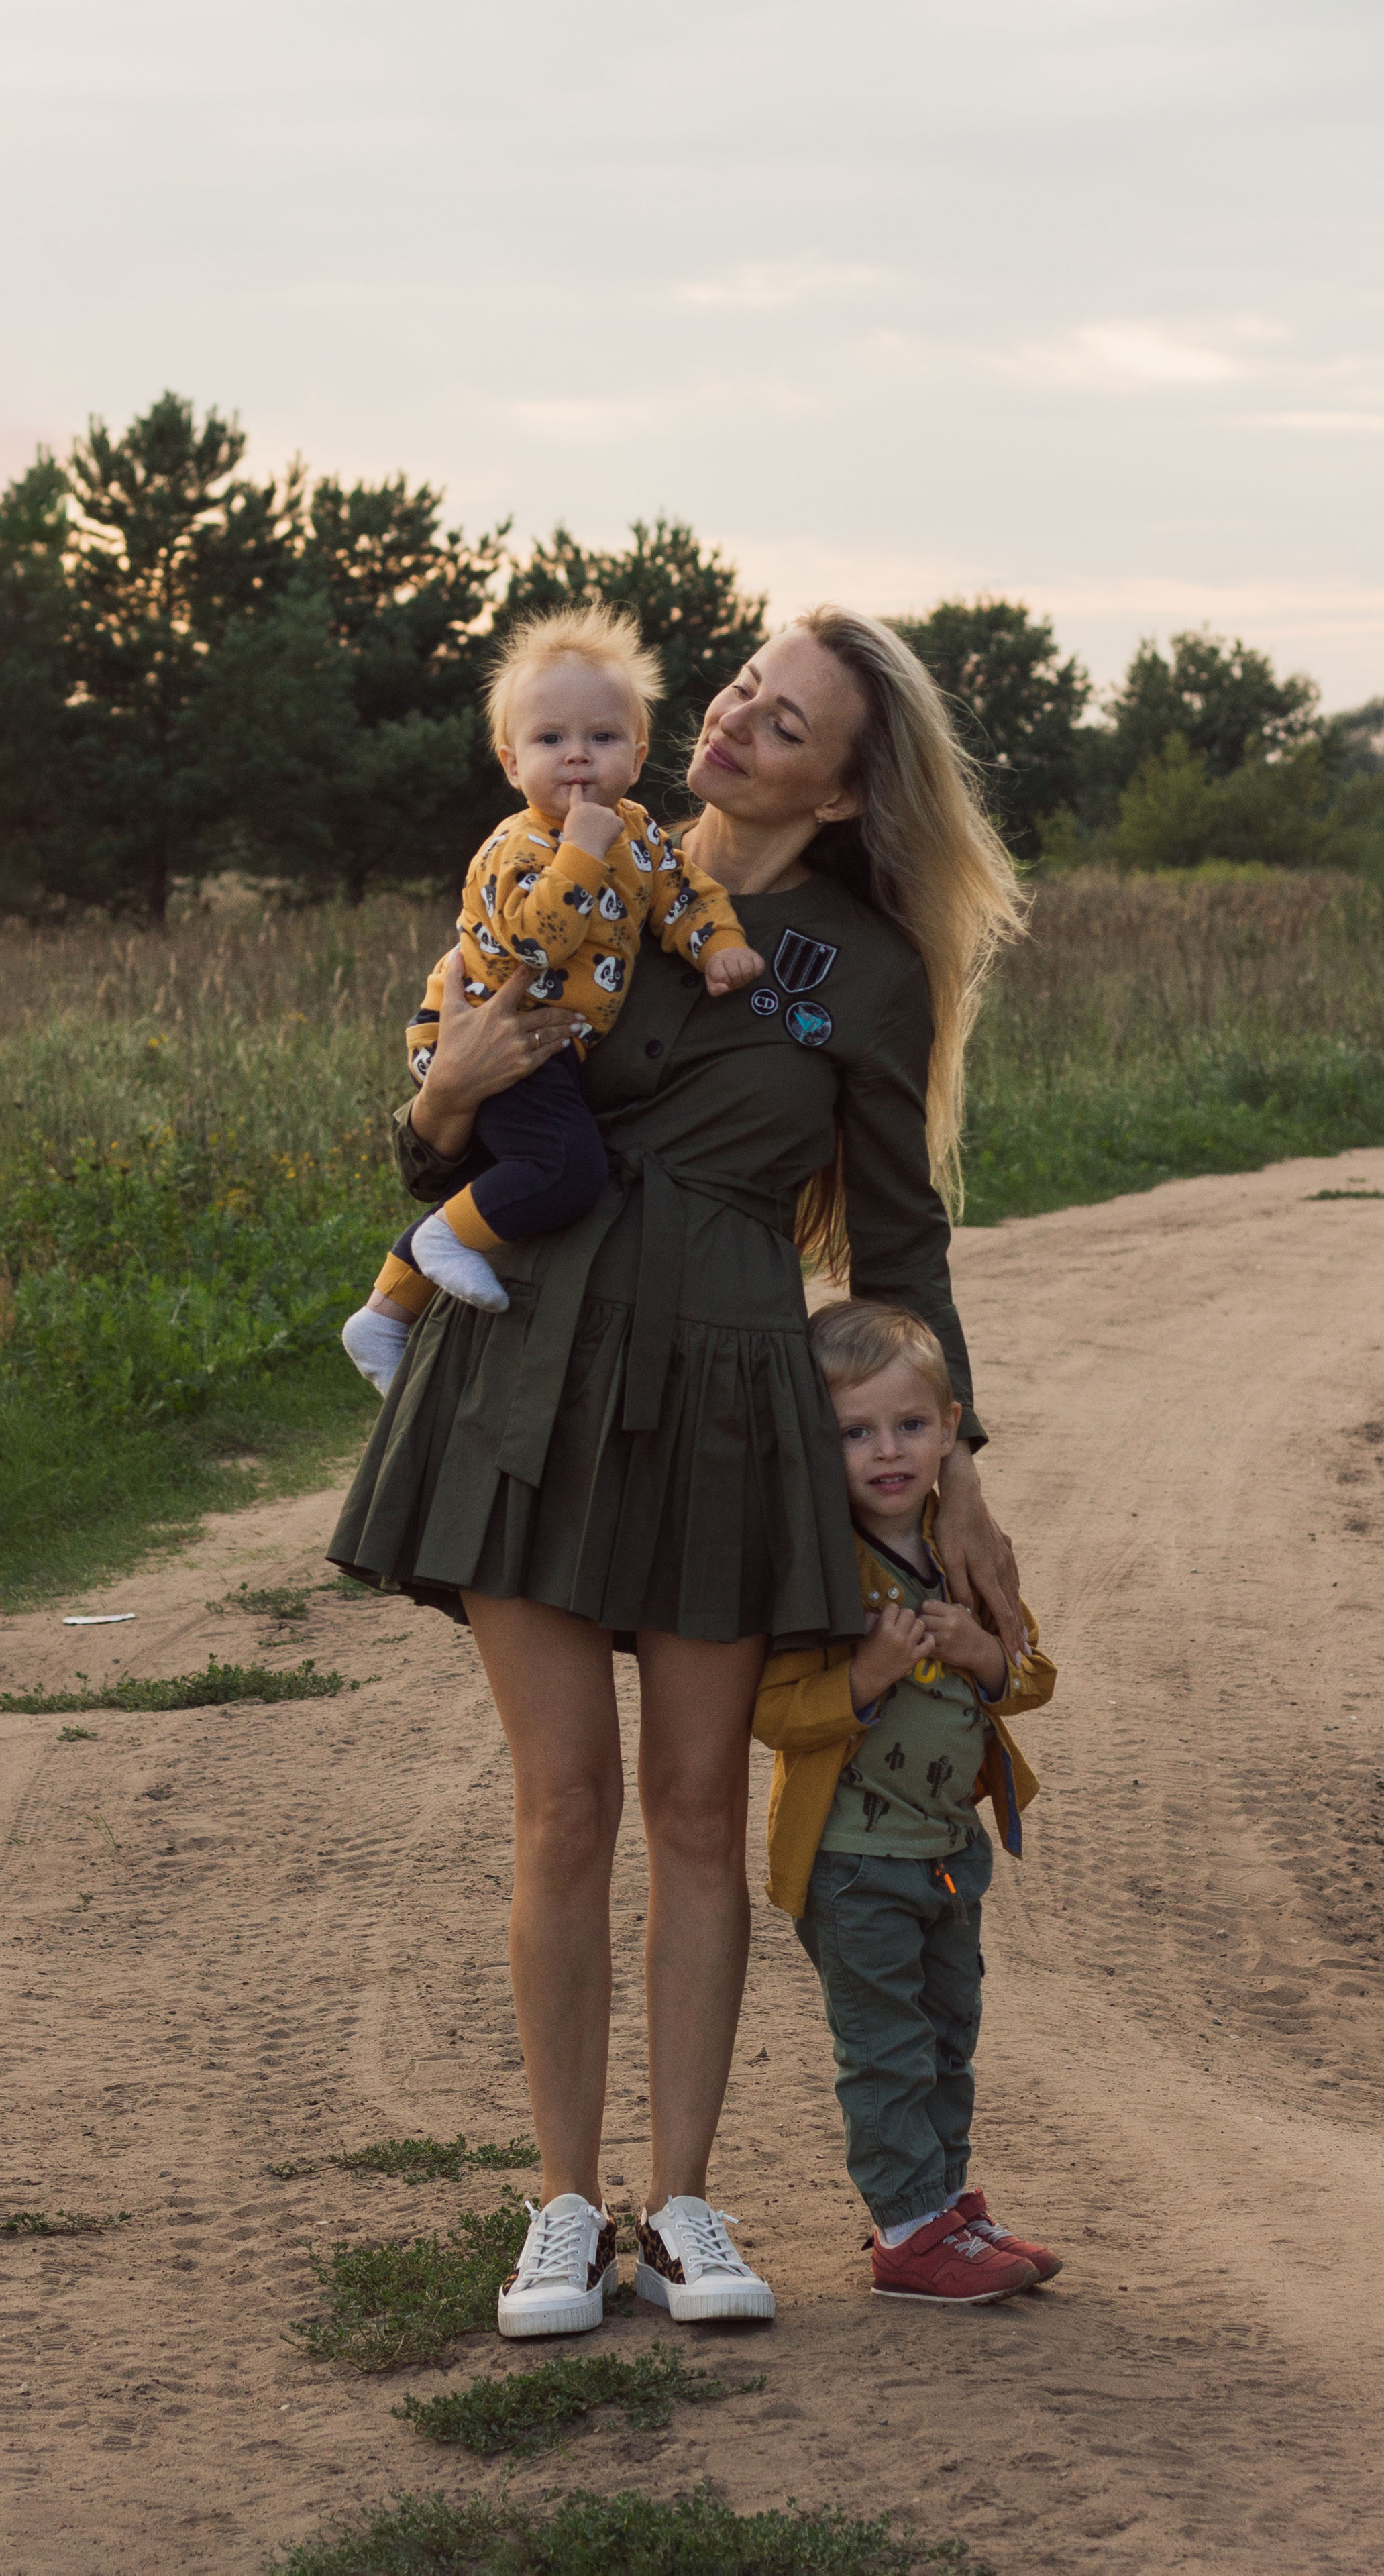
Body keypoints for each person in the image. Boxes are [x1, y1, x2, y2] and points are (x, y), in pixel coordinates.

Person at [329, 606, 1028, 2337]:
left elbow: (900, 1237)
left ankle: (686, 2202)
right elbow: (456, 1099)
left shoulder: (867, 968)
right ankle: (564, 2205)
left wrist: (961, 1472)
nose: (730, 728)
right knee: (563, 1807)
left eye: (783, 726)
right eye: (736, 693)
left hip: (732, 1387)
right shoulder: (569, 856)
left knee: (700, 1813)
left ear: (852, 791)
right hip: (526, 1373)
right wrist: (430, 1121)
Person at [341, 606, 764, 1393]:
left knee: (549, 1166)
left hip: (552, 1045)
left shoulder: (639, 835)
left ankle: (383, 1313)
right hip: (493, 1035)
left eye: (602, 739)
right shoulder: (520, 846)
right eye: (549, 740)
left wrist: (720, 945)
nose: (576, 757)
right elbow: (539, 940)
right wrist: (582, 848)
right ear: (509, 763)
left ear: (637, 755)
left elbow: (683, 894)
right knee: (563, 1171)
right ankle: (437, 1247)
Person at [753, 1299, 1060, 2304]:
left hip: (945, 1847)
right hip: (850, 1860)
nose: (888, 1451)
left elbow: (1033, 1670)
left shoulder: (957, 1541)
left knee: (947, 2033)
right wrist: (866, 1678)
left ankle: (942, 2201)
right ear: (816, 1442)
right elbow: (768, 1710)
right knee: (886, 2048)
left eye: (911, 1426)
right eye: (855, 1431)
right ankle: (905, 2231)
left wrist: (987, 1657)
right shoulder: (818, 1560)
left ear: (949, 1430)